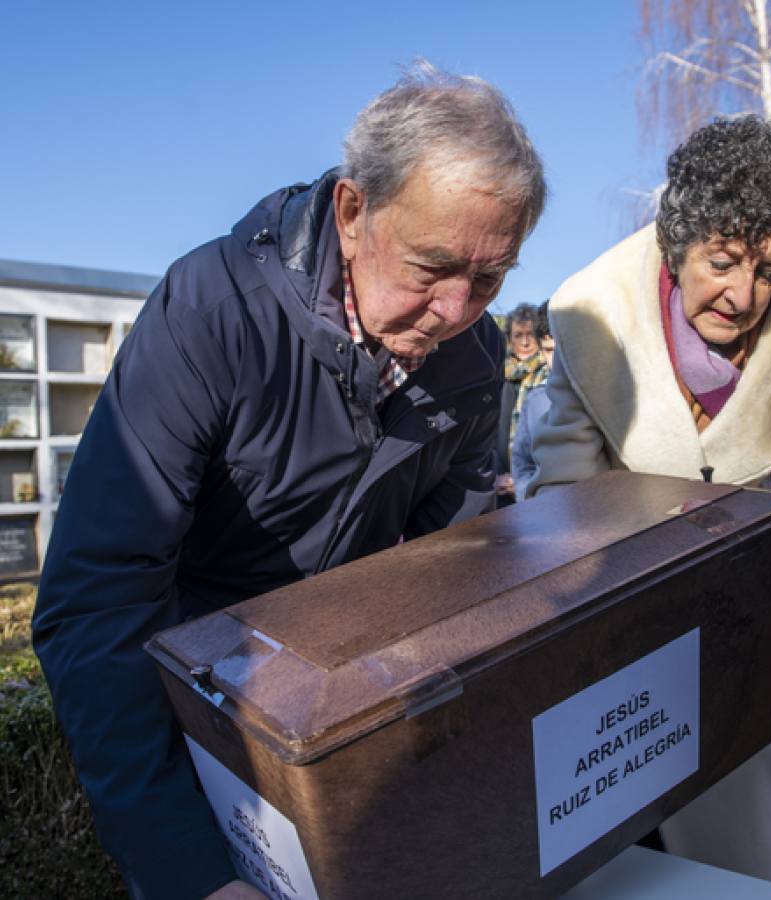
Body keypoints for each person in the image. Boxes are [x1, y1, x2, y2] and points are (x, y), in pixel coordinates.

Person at [32, 64, 546, 900]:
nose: (457, 312)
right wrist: (188, 871)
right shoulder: (210, 312)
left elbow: (452, 580)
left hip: (337, 723)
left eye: (489, 279)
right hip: (194, 718)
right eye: (431, 267)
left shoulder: (473, 358)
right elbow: (97, 604)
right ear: (353, 212)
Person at [528, 116, 771, 888]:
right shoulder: (592, 315)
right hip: (613, 646)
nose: (742, 295)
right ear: (676, 242)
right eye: (721, 263)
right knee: (619, 861)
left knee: (751, 858)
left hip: (738, 639)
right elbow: (560, 497)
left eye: (770, 272)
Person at [494, 302, 545, 504]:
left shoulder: (549, 372)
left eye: (530, 334)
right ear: (509, 339)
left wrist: (523, 480)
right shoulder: (497, 374)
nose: (525, 342)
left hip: (535, 480)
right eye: (518, 335)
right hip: (499, 482)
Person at [511, 302, 554, 499]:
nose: (525, 342)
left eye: (529, 335)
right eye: (549, 350)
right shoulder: (536, 397)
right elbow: (522, 461)